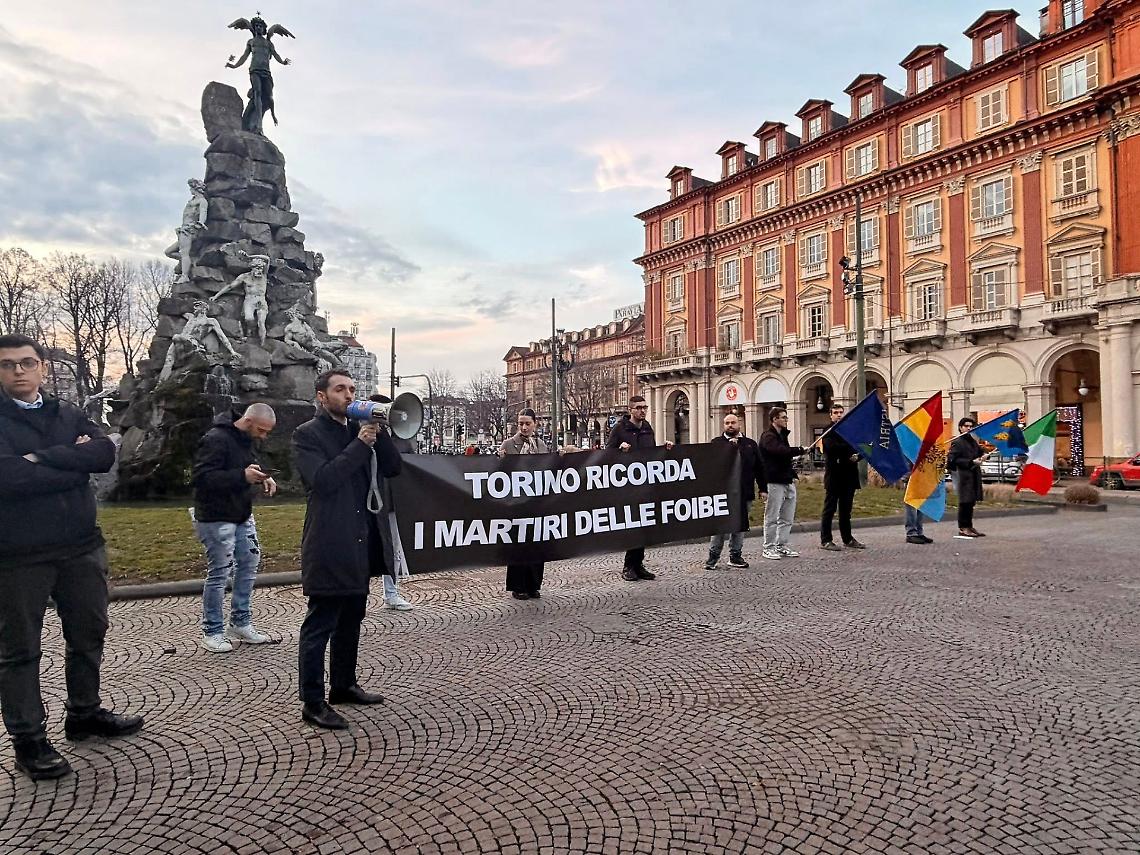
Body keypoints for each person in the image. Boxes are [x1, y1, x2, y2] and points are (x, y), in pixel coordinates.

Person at [0, 334, 144, 780]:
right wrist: (71, 462)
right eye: (7, 364)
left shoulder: (67, 412)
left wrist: (38, 459)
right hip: (19, 554)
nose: (18, 371)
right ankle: (29, 740)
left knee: (89, 633)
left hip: (82, 546)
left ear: (42, 367)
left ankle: (84, 713)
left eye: (27, 362)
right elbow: (7, 477)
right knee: (19, 650)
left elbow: (102, 454)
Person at [292, 369, 402, 730]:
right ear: (322, 396)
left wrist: (380, 433)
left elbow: (394, 468)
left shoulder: (359, 430)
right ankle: (312, 701)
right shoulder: (307, 434)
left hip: (360, 539)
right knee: (320, 623)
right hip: (330, 539)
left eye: (352, 389)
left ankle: (343, 684)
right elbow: (323, 480)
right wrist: (360, 444)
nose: (349, 395)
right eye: (340, 389)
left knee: (352, 618)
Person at [190, 402, 279, 653]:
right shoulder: (215, 439)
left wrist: (262, 475)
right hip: (215, 516)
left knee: (249, 563)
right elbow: (201, 478)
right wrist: (242, 476)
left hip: (241, 513)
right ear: (248, 422)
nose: (264, 436)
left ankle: (240, 622)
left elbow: (247, 465)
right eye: (261, 430)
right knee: (220, 571)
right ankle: (212, 631)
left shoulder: (245, 439)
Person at [607, 395, 674, 581]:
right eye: (638, 407)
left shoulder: (647, 428)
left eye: (644, 407)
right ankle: (629, 566)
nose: (642, 410)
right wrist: (619, 450)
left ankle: (639, 564)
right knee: (633, 526)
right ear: (630, 410)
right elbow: (607, 454)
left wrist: (664, 449)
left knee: (644, 525)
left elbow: (651, 453)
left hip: (645, 484)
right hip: (627, 486)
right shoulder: (619, 429)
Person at [367, 394, 414, 612]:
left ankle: (391, 592)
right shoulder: (364, 434)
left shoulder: (403, 438)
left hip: (394, 501)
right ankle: (359, 593)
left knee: (392, 547)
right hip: (370, 500)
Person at [499, 408, 549, 600]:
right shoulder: (509, 445)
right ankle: (518, 586)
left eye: (528, 423)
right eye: (521, 423)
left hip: (536, 504)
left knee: (536, 545)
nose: (524, 427)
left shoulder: (540, 445)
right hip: (517, 504)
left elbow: (548, 468)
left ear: (535, 424)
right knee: (519, 546)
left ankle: (533, 584)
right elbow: (499, 473)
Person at [705, 413, 766, 570]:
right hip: (723, 493)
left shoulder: (750, 444)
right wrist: (729, 448)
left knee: (740, 525)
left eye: (733, 422)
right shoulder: (716, 443)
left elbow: (759, 467)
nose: (730, 425)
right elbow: (710, 466)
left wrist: (763, 488)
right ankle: (713, 557)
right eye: (727, 423)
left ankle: (735, 555)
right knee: (719, 526)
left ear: (739, 424)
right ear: (723, 425)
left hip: (745, 491)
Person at [758, 407, 806, 561]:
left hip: (787, 479)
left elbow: (784, 454)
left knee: (787, 517)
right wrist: (799, 450)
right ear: (774, 419)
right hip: (773, 481)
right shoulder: (768, 436)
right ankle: (768, 547)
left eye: (786, 417)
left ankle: (781, 545)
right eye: (783, 417)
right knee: (772, 516)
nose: (786, 420)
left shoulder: (782, 435)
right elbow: (779, 451)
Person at [819, 403, 866, 551]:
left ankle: (848, 539)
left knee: (846, 510)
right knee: (829, 509)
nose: (839, 415)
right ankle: (826, 540)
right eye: (836, 413)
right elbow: (832, 448)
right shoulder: (828, 431)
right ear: (830, 415)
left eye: (841, 412)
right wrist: (849, 449)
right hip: (834, 476)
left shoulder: (849, 430)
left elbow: (861, 448)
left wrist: (857, 456)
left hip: (849, 476)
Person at [947, 416, 986, 539]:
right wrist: (970, 462)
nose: (969, 428)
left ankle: (969, 526)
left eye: (970, 426)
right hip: (963, 475)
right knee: (965, 502)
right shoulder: (958, 442)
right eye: (966, 426)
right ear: (960, 427)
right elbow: (952, 460)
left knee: (971, 502)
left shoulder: (971, 440)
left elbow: (980, 451)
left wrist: (985, 455)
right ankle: (963, 527)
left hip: (973, 474)